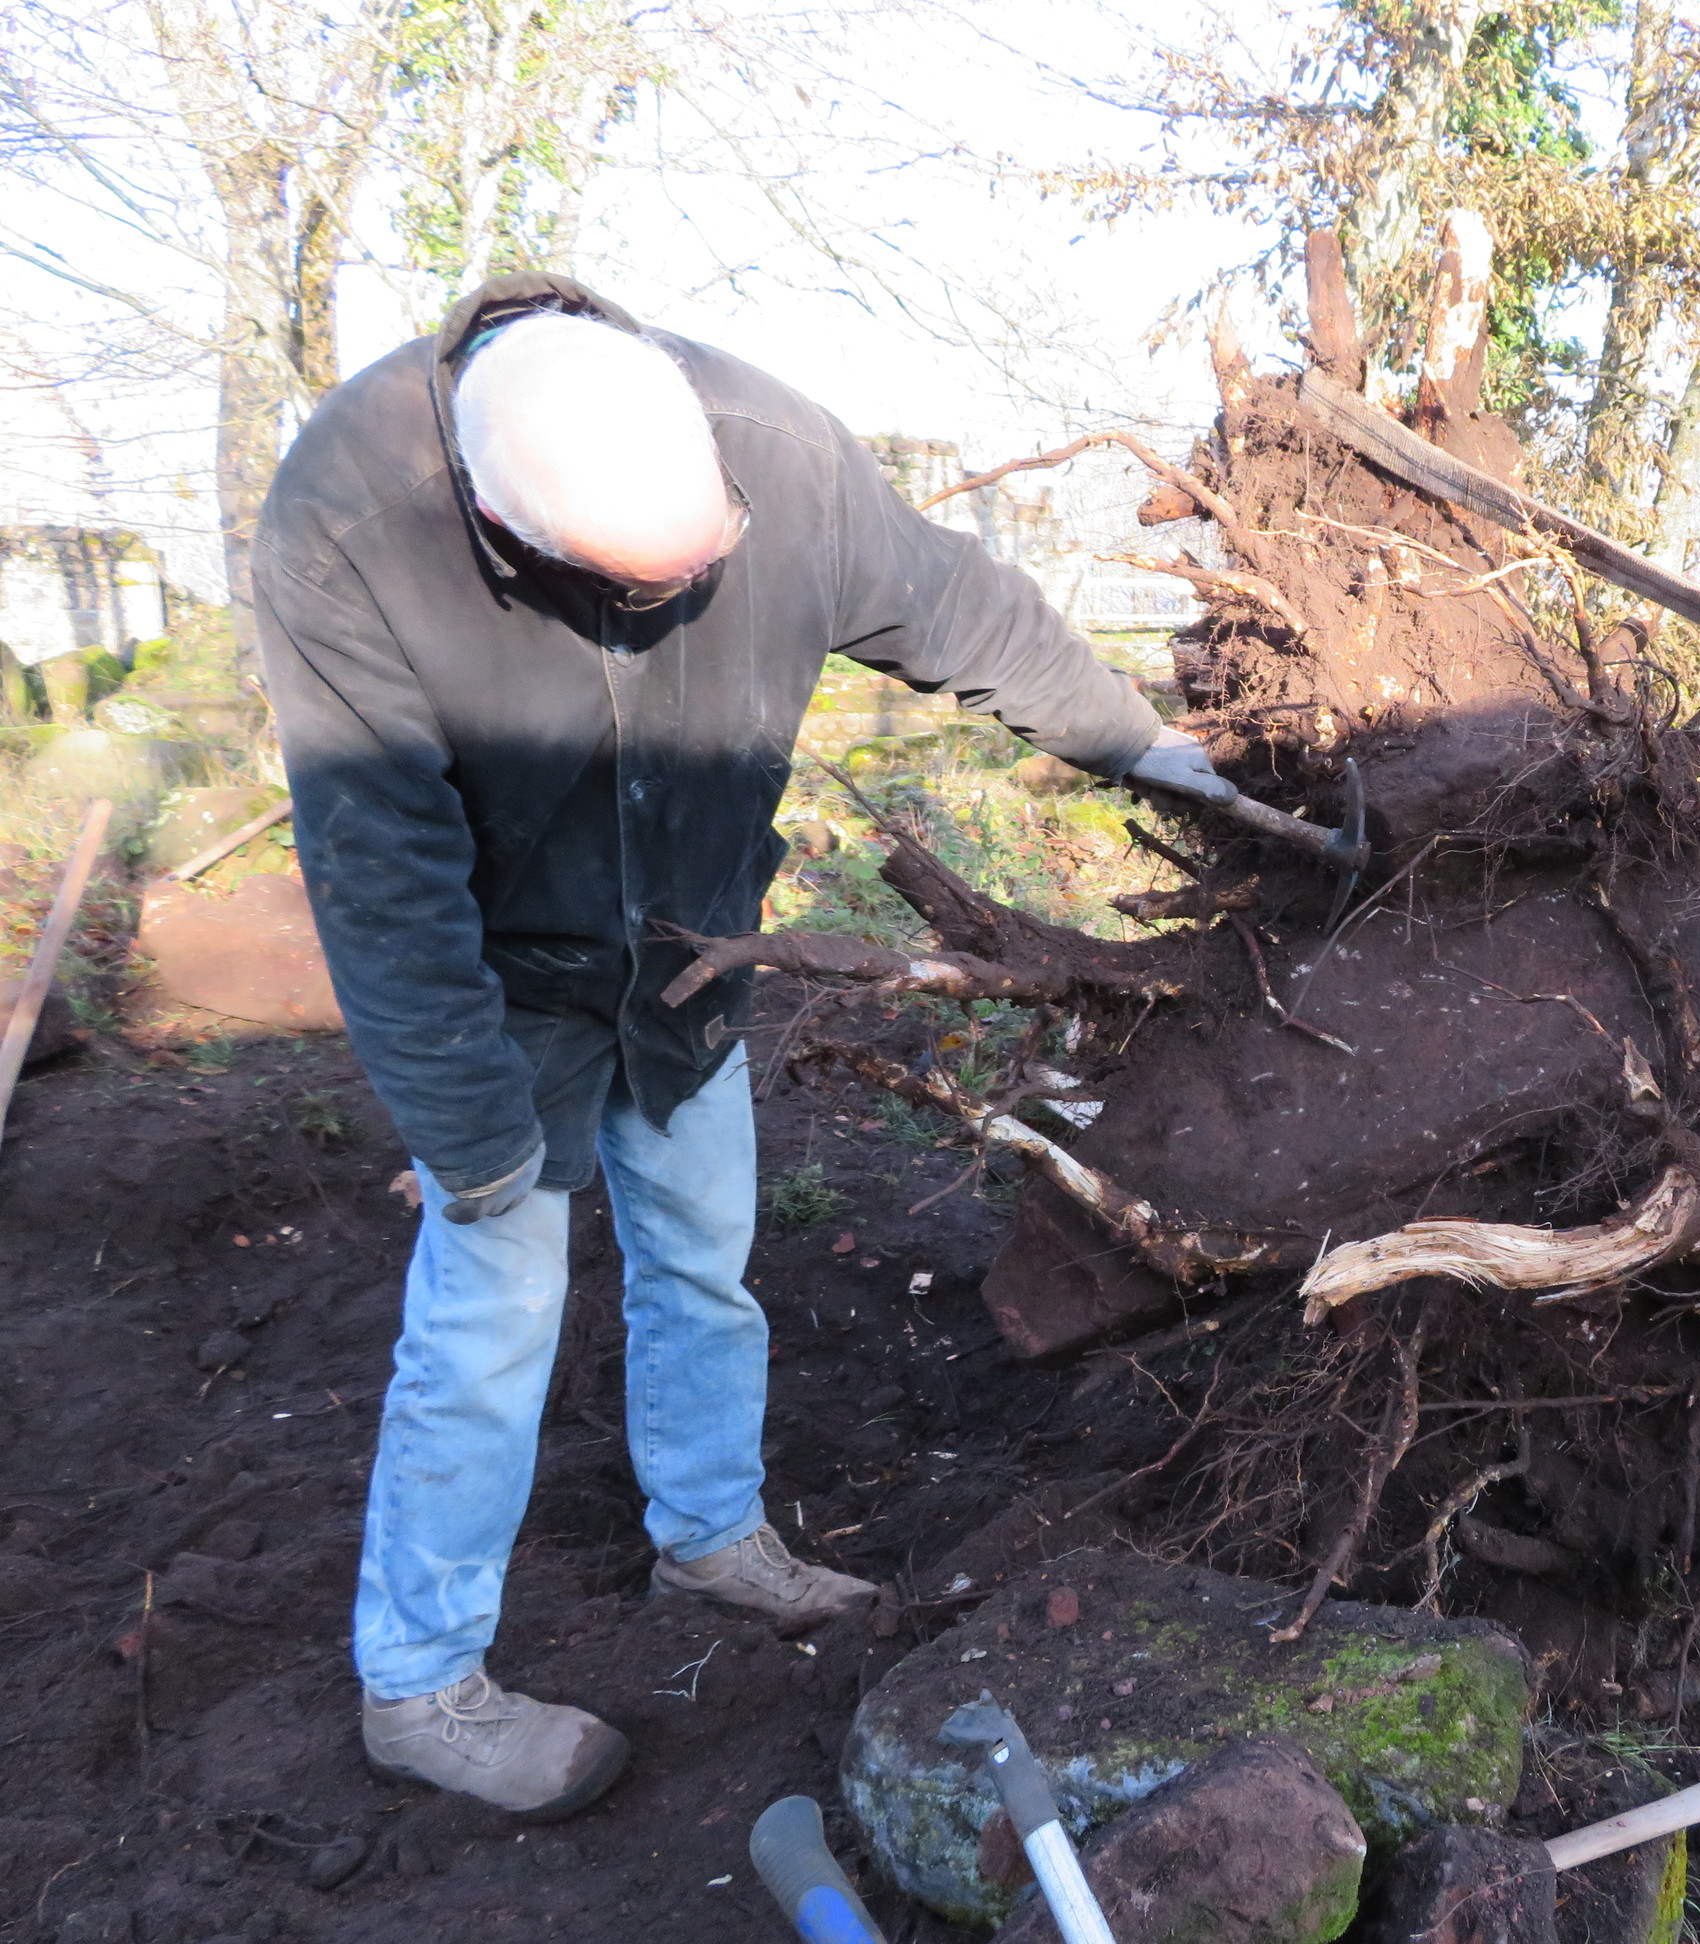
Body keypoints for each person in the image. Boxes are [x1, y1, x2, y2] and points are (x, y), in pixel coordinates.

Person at [255, 274, 1231, 1818]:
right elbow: (381, 878)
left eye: (705, 562)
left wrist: (1149, 750)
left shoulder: (778, 453)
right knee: (488, 1320)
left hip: (689, 954)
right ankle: (422, 1686)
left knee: (704, 1262)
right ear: (512, 535)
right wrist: (473, 1138)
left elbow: (963, 605)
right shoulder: (352, 521)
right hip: (502, 985)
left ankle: (710, 1538)